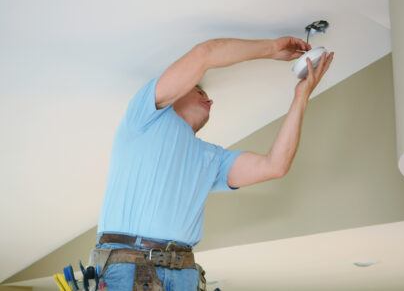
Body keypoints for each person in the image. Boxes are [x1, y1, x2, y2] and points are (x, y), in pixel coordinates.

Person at [92, 36, 334, 291]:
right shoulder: (145, 117)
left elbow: (275, 165)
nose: (209, 99)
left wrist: (302, 95)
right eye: (199, 90)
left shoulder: (212, 158)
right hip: (128, 263)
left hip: (183, 270)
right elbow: (205, 53)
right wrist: (273, 48)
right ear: (176, 95)